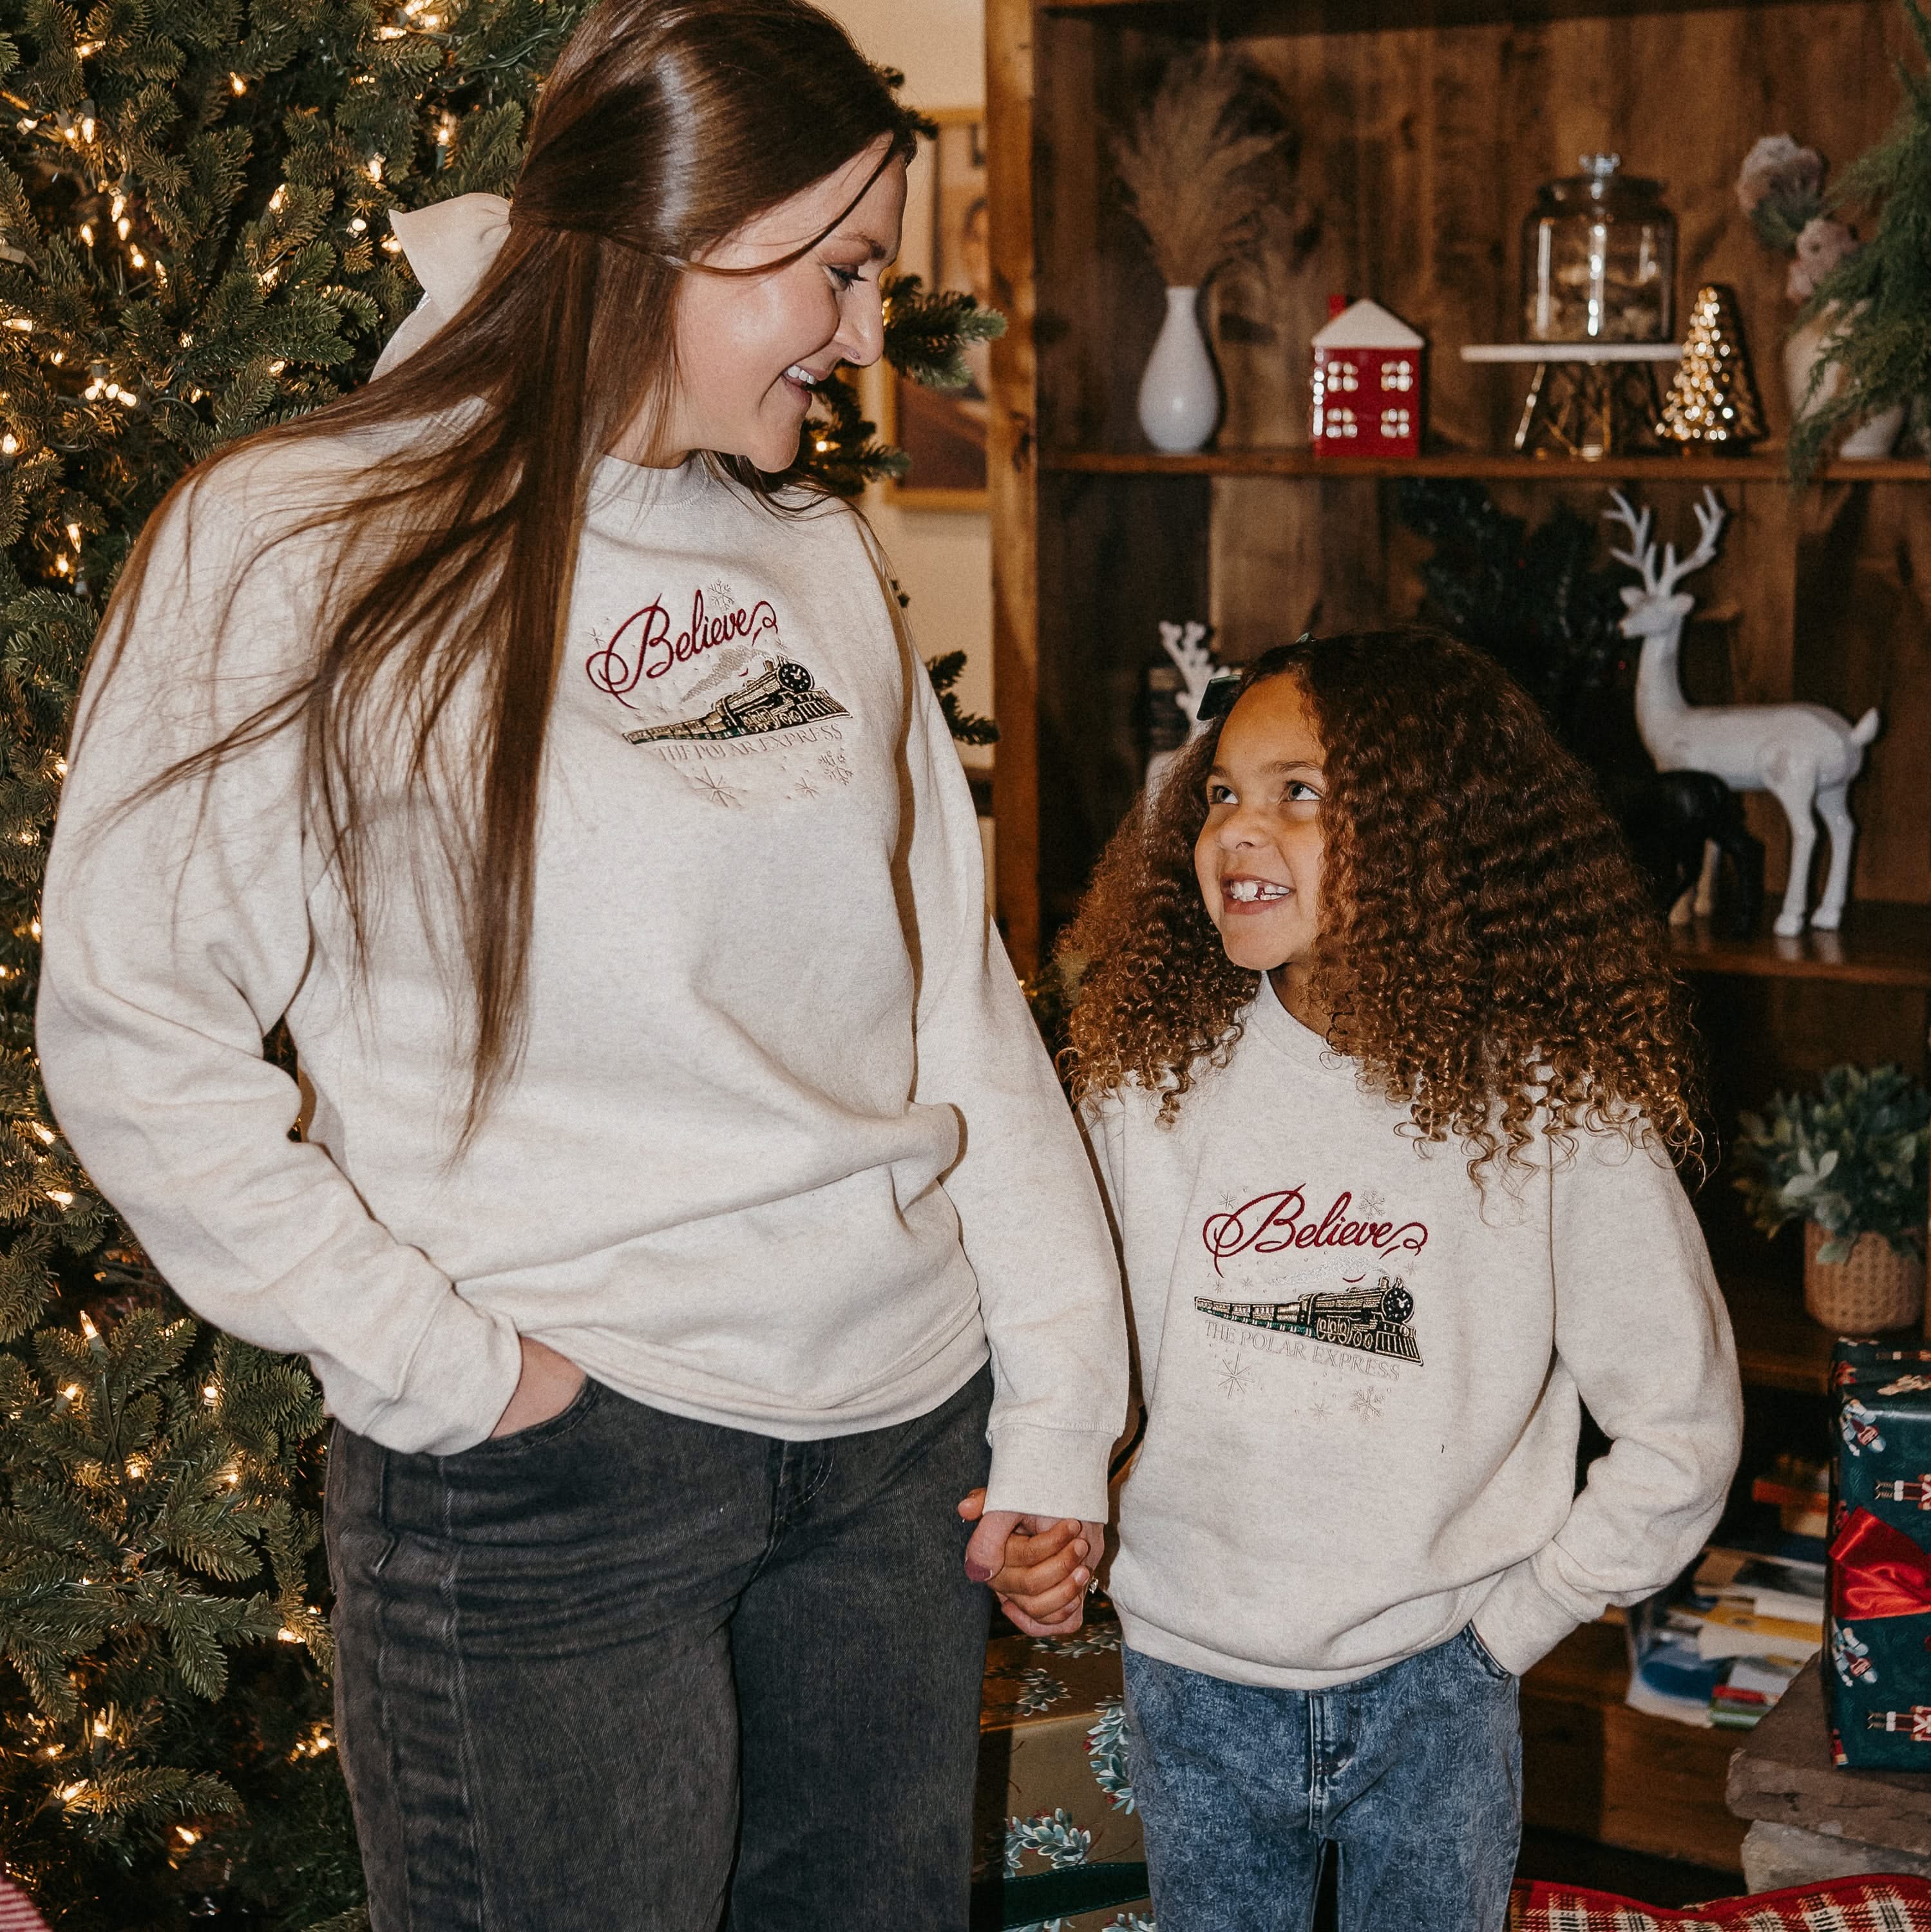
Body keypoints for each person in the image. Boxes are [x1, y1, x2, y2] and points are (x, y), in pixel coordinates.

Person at [33, 3, 1125, 1926]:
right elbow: (138, 1035)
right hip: (555, 1476)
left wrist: (1056, 1412)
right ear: (674, 234)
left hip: (892, 1460)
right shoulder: (294, 541)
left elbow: (957, 1004)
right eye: (842, 270)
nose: (866, 335)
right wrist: (455, 1375)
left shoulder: (814, 555)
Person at [1036, 630, 1742, 1932]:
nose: (1239, 831)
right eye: (1225, 794)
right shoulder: (1151, 1078)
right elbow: (1067, 1358)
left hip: (1443, 1685)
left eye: (1300, 792)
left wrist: (1513, 1630)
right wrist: (1053, 1498)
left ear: (1430, 833)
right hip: (1188, 1675)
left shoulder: (1551, 1105)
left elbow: (1682, 1424)